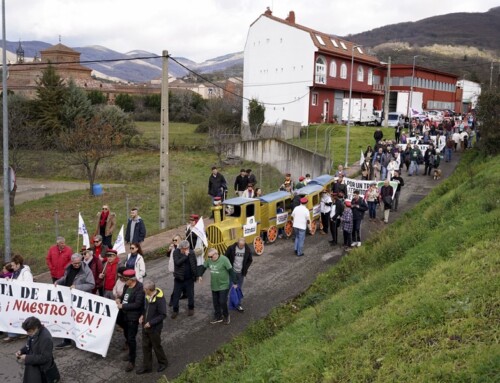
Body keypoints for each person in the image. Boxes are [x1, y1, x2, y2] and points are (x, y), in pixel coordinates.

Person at [54, 253, 94, 349]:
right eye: (74, 263)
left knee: (79, 320)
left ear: (81, 261)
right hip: (68, 297)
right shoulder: (69, 268)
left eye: (78, 263)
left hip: (80, 300)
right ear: (71, 262)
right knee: (66, 318)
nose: (76, 265)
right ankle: (67, 340)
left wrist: (77, 287)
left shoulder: (86, 270)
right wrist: (58, 281)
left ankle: (82, 340)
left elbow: (91, 284)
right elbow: (66, 278)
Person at [136, 279, 168, 375]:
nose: (143, 291)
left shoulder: (159, 299)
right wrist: (142, 316)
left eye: (144, 289)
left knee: (156, 346)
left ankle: (163, 363)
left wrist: (151, 323)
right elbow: (145, 309)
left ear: (148, 289)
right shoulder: (147, 296)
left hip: (154, 328)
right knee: (145, 346)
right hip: (145, 326)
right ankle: (147, 366)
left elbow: (163, 315)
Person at [116, 269, 145, 373]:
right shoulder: (126, 286)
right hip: (124, 314)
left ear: (131, 280)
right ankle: (130, 353)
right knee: (126, 334)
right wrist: (119, 299)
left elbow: (137, 304)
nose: (123, 281)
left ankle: (132, 360)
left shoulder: (140, 288)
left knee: (131, 338)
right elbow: (124, 296)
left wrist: (123, 305)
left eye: (125, 279)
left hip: (133, 317)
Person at [199, 248, 237, 325]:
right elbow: (203, 267)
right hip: (214, 285)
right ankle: (218, 317)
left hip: (223, 285)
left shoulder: (224, 260)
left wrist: (235, 282)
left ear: (216, 254)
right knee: (215, 302)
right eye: (208, 257)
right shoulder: (209, 260)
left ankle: (226, 315)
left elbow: (230, 271)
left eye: (210, 257)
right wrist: (200, 275)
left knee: (222, 301)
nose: (209, 258)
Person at [16, 316, 57, 383]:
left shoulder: (46, 338)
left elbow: (45, 358)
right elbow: (28, 345)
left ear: (36, 328)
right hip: (34, 365)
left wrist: (27, 358)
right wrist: (21, 351)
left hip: (42, 370)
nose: (28, 334)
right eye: (27, 331)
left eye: (29, 331)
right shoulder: (33, 333)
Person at [4, 255, 34, 342]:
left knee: (22, 317)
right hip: (16, 299)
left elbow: (29, 287)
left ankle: (20, 333)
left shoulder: (26, 273)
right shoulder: (16, 272)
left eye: (13, 265)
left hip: (24, 299)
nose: (12, 267)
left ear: (18, 264)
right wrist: (9, 280)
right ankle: (13, 334)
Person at [225, 238, 253, 312]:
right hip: (232, 272)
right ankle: (227, 304)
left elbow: (250, 260)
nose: (241, 246)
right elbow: (225, 257)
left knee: (238, 288)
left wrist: (245, 268)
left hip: (241, 273)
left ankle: (238, 304)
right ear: (237, 243)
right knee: (230, 287)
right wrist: (228, 268)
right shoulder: (231, 248)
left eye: (242, 245)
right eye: (240, 245)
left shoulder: (247, 250)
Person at [171, 240, 197, 319]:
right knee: (176, 295)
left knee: (190, 294)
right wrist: (185, 256)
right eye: (184, 249)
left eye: (187, 248)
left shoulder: (192, 253)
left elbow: (194, 263)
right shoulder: (176, 252)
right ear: (181, 248)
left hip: (189, 279)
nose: (186, 250)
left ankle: (191, 308)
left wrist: (196, 275)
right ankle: (175, 310)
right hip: (179, 278)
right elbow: (177, 262)